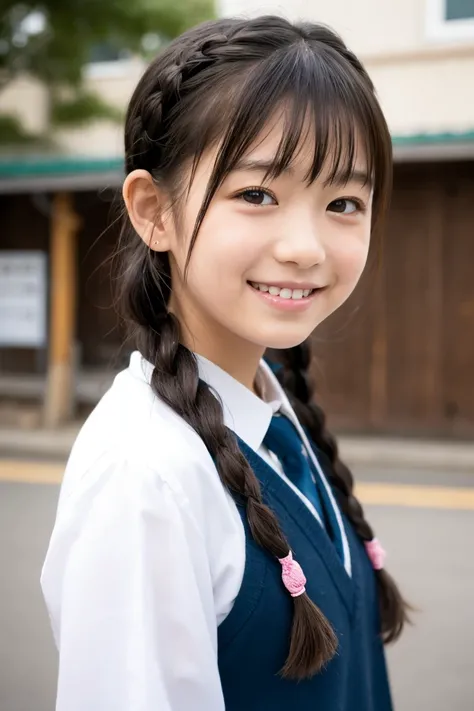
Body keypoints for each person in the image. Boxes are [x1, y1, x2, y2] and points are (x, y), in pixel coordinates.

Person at [41, 15, 410, 711]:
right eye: (257, 194)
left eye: (343, 202)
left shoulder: (271, 411)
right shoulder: (145, 475)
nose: (305, 246)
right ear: (154, 211)